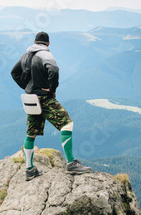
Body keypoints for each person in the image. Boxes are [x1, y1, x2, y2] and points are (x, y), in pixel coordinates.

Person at [11, 31, 92, 181]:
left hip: (30, 98)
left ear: (35, 42)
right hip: (44, 98)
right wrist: (51, 89)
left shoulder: (26, 55)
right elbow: (54, 70)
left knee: (31, 132)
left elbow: (14, 72)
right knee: (67, 124)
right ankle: (71, 163)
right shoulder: (46, 55)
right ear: (48, 44)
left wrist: (26, 86)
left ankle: (29, 169)